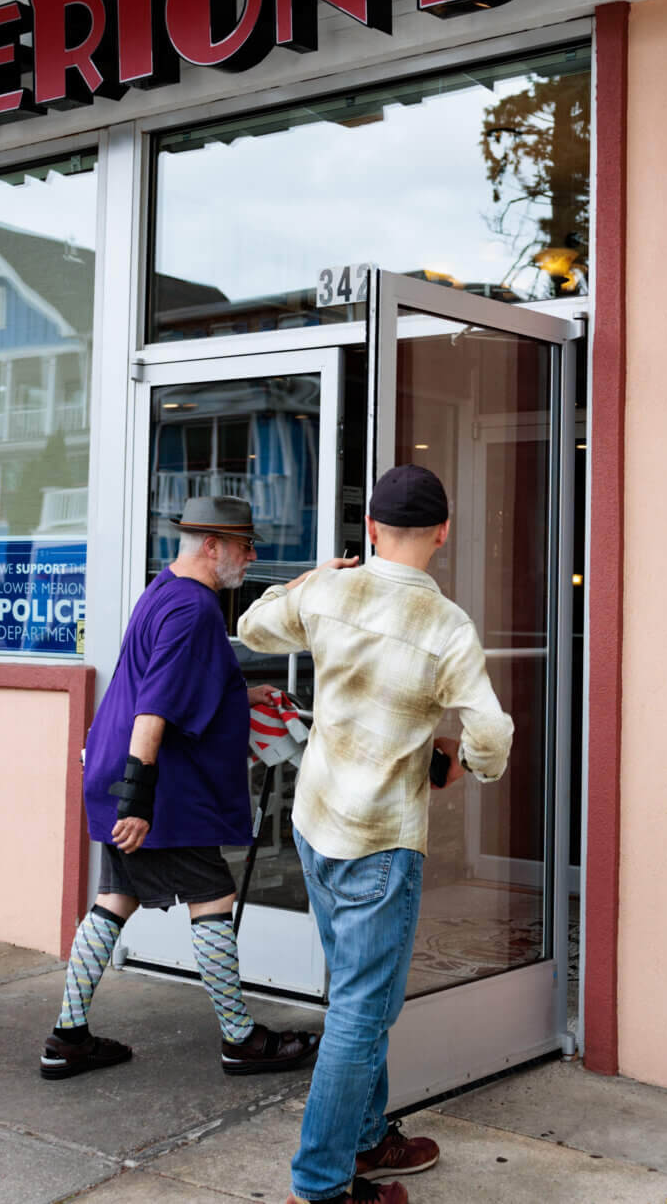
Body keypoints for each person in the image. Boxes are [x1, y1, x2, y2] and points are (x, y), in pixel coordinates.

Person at [239, 465, 515, 1204]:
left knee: (356, 997)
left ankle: (366, 1142)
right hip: (381, 844)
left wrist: (307, 579)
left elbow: (252, 624)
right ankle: (321, 1185)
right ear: (444, 532)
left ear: (370, 531)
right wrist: (467, 767)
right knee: (362, 1011)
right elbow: (489, 729)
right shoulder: (445, 625)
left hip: (316, 827)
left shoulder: (330, 592)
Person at [40, 494, 320, 1081]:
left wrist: (242, 696)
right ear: (213, 546)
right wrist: (138, 801)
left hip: (128, 775)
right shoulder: (193, 610)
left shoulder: (165, 591)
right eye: (244, 546)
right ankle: (241, 1040)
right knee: (213, 901)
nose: (249, 557)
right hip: (160, 788)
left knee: (114, 900)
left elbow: (174, 683)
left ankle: (67, 1037)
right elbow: (154, 708)